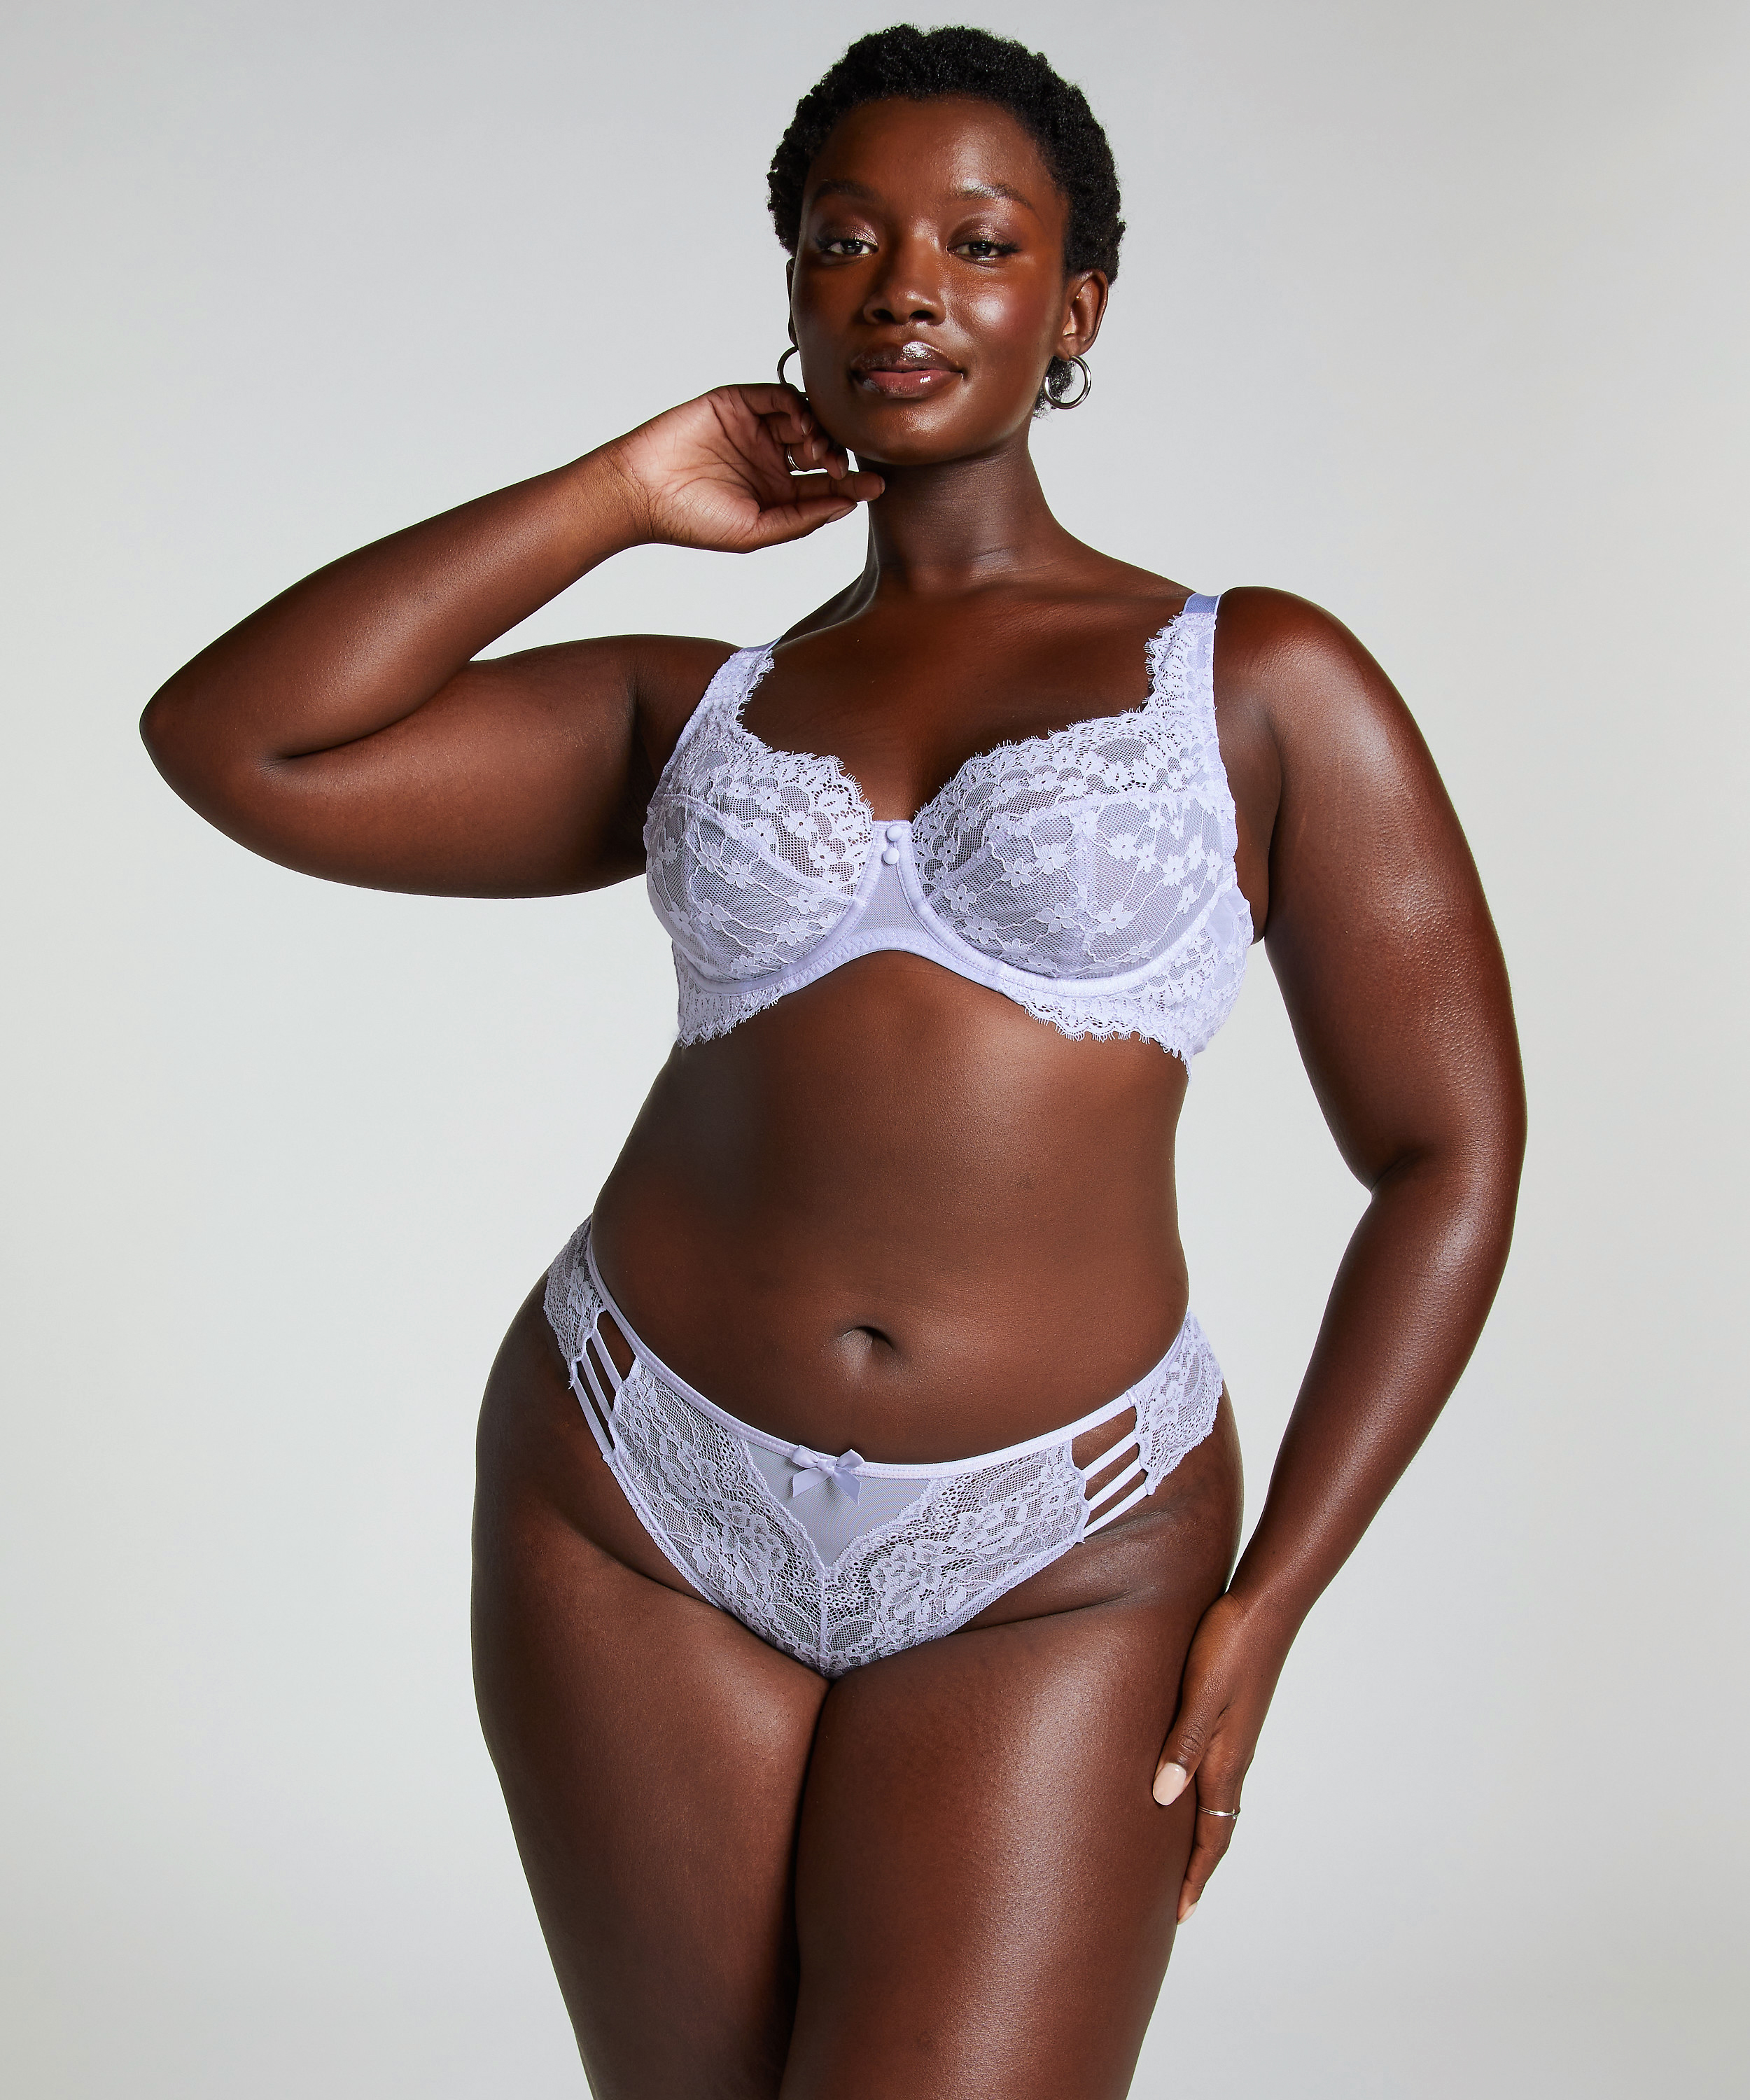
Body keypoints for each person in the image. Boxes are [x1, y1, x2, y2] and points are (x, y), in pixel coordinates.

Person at [141, 24, 1525, 2099]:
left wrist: (1273, 1601)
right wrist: (618, 496)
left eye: (980, 243)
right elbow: (236, 740)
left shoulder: (1253, 678)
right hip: (632, 1491)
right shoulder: (694, 707)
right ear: (792, 289)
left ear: (1076, 308)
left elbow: (1450, 1153)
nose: (903, 289)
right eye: (845, 241)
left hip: (1062, 1549)